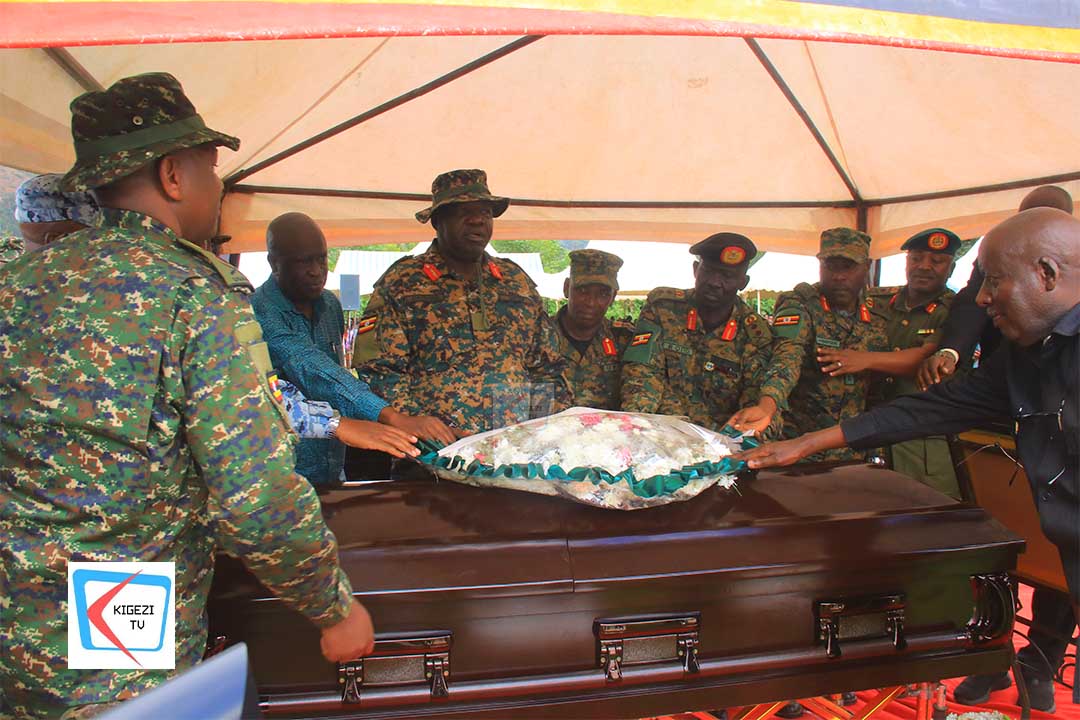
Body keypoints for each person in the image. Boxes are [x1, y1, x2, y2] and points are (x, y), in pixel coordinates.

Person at [0, 73, 372, 719]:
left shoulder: (17, 281)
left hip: (14, 621)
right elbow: (253, 493)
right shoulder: (193, 294)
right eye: (211, 166)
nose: (219, 185)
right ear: (174, 175)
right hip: (120, 625)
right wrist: (332, 605)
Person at [736, 209, 1080, 626]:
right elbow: (930, 407)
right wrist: (808, 443)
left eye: (992, 280)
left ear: (1046, 274)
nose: (982, 298)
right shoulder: (1022, 357)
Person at [912, 187, 1076, 713]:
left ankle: (1041, 663)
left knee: (1060, 554)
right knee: (1001, 543)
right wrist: (954, 350)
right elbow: (969, 309)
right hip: (1007, 421)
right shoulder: (999, 262)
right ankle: (989, 654)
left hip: (1064, 435)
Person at [353, 169, 571, 434]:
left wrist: (538, 432)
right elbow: (378, 371)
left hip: (511, 456)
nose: (478, 221)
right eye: (464, 213)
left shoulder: (516, 282)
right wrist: (419, 429)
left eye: (486, 213)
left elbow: (547, 368)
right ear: (438, 221)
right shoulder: (403, 283)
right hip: (432, 457)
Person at [252, 212, 454, 487]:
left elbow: (337, 373)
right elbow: (311, 368)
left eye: (321, 258)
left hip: (333, 466)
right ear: (274, 263)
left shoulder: (329, 306)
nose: (316, 270)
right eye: (303, 261)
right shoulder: (258, 311)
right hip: (284, 474)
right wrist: (391, 416)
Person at [816, 228, 961, 497]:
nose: (924, 267)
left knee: (921, 517)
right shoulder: (876, 302)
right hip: (865, 429)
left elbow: (925, 359)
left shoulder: (956, 311)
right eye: (916, 258)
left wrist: (864, 360)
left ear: (951, 269)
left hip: (918, 438)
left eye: (937, 261)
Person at [727, 228, 888, 459]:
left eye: (848, 266)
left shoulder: (878, 315)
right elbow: (787, 357)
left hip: (854, 451)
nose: (839, 276)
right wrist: (767, 406)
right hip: (798, 449)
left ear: (867, 266)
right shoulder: (801, 304)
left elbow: (879, 391)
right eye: (831, 266)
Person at [917, 185, 1074, 390]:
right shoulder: (999, 253)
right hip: (1001, 378)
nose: (984, 297)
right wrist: (950, 352)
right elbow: (971, 304)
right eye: (1025, 218)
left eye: (1042, 218)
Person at [621, 232, 774, 433]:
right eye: (709, 271)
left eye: (727, 276)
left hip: (718, 442)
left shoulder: (755, 335)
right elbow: (642, 374)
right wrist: (639, 426)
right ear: (695, 270)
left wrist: (728, 443)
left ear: (742, 283)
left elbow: (752, 403)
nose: (714, 282)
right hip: (658, 431)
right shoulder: (663, 307)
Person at [554, 249, 633, 409]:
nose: (591, 302)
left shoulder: (624, 341)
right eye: (583, 291)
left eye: (603, 294)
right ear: (566, 287)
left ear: (613, 297)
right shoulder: (538, 336)